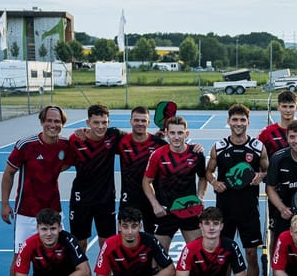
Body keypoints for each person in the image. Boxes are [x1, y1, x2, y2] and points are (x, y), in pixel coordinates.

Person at [1, 105, 71, 276]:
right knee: (19, 256)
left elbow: (67, 163)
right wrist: (4, 203)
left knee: (59, 256)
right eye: (49, 120)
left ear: (62, 124)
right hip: (26, 213)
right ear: (42, 122)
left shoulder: (65, 146)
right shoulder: (26, 145)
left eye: (57, 121)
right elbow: (9, 173)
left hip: (54, 212)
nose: (53, 125)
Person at [205, 103, 269, 276]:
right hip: (224, 211)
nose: (239, 123)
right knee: (223, 255)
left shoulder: (258, 146)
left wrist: (262, 175)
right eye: (235, 120)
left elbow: (266, 168)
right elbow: (208, 171)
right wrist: (214, 182)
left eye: (243, 120)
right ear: (229, 121)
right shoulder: (219, 147)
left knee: (251, 254)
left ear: (248, 122)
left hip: (249, 210)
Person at [143, 115, 207, 253]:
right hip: (165, 212)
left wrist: (200, 197)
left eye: (180, 133)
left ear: (186, 133)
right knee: (158, 257)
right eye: (172, 133)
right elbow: (146, 182)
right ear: (166, 134)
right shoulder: (157, 155)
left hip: (189, 210)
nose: (176, 137)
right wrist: (155, 205)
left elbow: (203, 178)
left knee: (197, 254)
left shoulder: (197, 154)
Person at [68, 104, 123, 253]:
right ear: (88, 123)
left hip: (105, 199)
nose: (100, 126)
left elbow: (137, 139)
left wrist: (157, 136)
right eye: (96, 122)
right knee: (80, 243)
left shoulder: (113, 136)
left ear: (108, 123)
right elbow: (62, 162)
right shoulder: (75, 140)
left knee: (107, 243)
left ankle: (107, 275)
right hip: (81, 199)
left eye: (104, 122)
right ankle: (80, 275)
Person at [117, 107, 169, 236]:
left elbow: (177, 149)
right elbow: (100, 136)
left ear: (148, 123)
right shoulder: (121, 142)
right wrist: (83, 130)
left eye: (143, 120)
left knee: (153, 238)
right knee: (124, 236)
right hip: (129, 198)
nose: (140, 123)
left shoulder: (159, 144)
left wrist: (196, 148)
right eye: (136, 120)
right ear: (130, 122)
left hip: (152, 198)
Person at [258, 90, 297, 159]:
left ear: (296, 108)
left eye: (291, 106)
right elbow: (259, 159)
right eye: (284, 106)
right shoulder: (266, 132)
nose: (288, 110)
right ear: (278, 107)